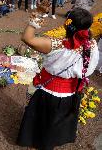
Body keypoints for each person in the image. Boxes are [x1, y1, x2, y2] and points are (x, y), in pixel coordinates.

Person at [17, 8, 99, 150]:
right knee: (55, 123)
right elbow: (88, 70)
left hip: (48, 93)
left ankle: (36, 142)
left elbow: (27, 38)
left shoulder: (57, 45)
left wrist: (37, 14)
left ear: (67, 24)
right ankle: (49, 143)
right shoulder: (92, 46)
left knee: (41, 120)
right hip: (71, 94)